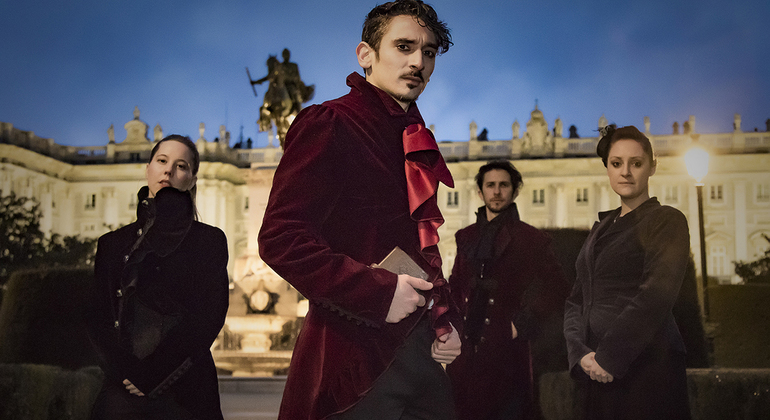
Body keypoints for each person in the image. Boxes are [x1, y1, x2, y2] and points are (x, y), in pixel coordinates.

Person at [257, 1, 462, 419]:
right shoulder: (330, 122)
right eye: (403, 46)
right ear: (366, 54)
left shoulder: (413, 134)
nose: (418, 62)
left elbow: (419, 247)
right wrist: (379, 292)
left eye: (428, 52)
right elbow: (280, 238)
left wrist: (444, 318)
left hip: (418, 352)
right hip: (354, 360)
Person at [88, 135, 229, 419]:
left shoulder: (209, 240)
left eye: (181, 166)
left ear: (192, 179)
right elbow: (98, 315)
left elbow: (209, 315)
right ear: (148, 169)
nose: (168, 170)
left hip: (187, 390)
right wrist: (124, 372)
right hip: (122, 391)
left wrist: (151, 375)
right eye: (162, 161)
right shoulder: (112, 244)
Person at [563, 125, 692, 419]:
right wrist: (579, 352)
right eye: (616, 163)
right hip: (594, 368)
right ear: (607, 168)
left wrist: (610, 356)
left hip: (647, 367)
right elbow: (576, 300)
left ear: (652, 167)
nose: (626, 172)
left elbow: (656, 295)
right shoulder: (600, 229)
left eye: (636, 163)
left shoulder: (666, 220)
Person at [446, 160, 569, 420]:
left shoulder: (531, 239)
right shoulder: (465, 236)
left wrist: (523, 322)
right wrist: (449, 325)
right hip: (466, 353)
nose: (497, 191)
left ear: (514, 191)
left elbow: (557, 286)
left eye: (503, 185)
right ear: (480, 192)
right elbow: (456, 285)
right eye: (490, 185)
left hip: (507, 352)